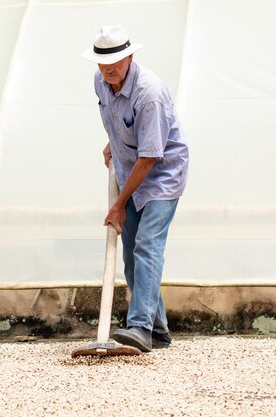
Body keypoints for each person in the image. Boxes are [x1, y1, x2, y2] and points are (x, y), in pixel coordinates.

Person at [82, 25, 189, 352]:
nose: (108, 68)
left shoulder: (150, 93)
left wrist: (118, 204)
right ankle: (158, 331)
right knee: (130, 254)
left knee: (147, 244)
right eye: (102, 62)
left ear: (129, 56)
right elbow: (120, 122)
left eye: (115, 61)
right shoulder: (102, 82)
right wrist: (113, 142)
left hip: (161, 174)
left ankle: (140, 326)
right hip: (131, 170)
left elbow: (150, 156)